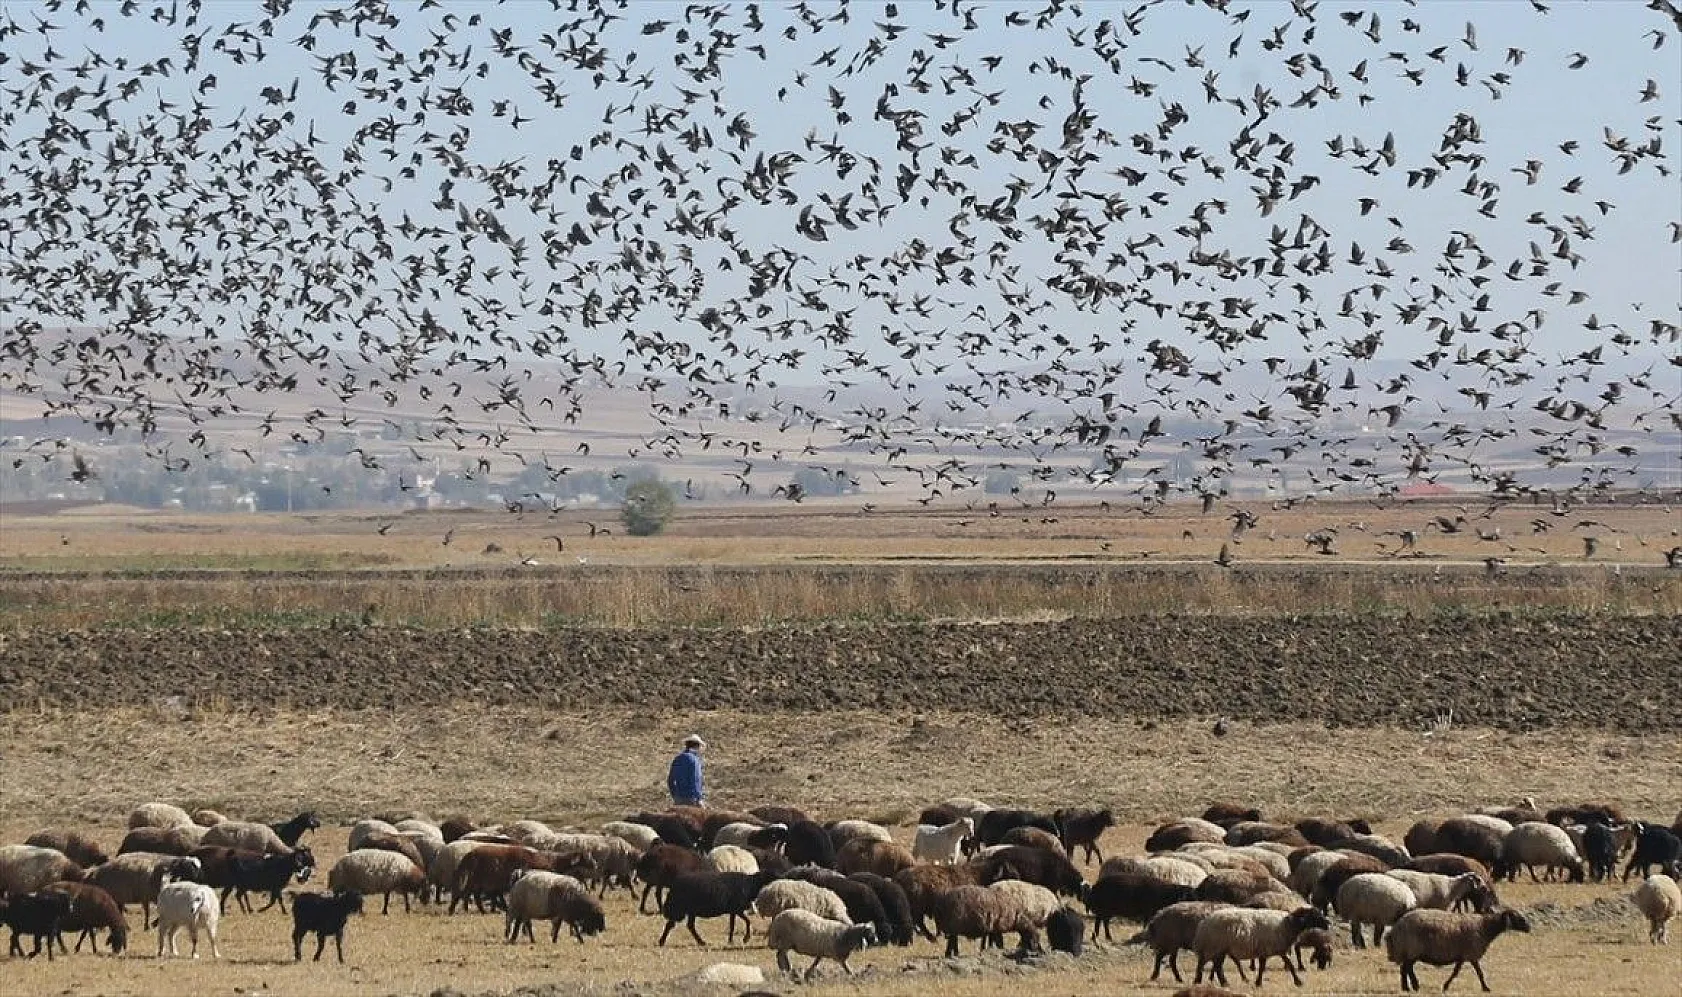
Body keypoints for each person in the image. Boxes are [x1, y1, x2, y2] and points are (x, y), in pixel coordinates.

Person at [667, 734, 705, 806]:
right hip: (691, 799)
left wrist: (675, 795)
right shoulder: (695, 760)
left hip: (678, 799)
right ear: (696, 746)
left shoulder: (677, 759)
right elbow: (695, 780)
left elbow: (670, 780)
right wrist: (699, 798)